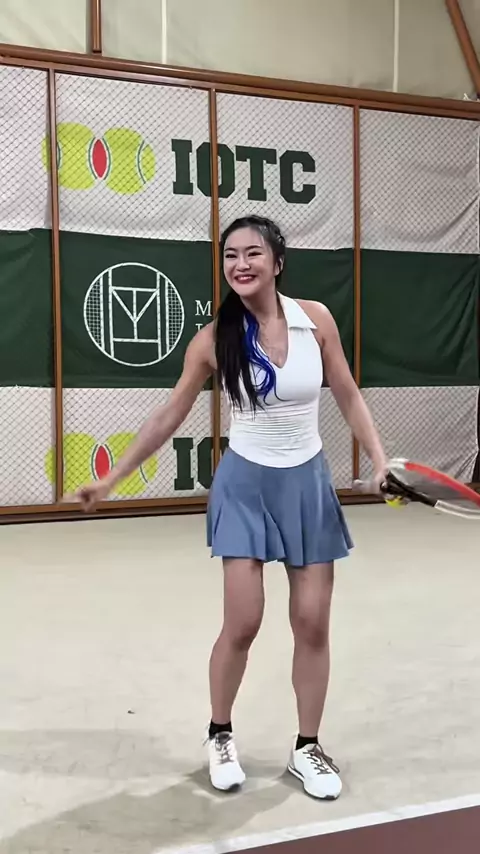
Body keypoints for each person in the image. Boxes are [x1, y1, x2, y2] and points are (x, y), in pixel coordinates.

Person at [73, 214, 387, 801]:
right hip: (244, 486)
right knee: (243, 622)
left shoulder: (315, 321)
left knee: (312, 623)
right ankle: (220, 732)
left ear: (278, 262)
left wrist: (380, 460)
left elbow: (347, 392)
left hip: (307, 485)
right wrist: (112, 479)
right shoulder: (214, 339)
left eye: (252, 253)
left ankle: (308, 747)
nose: (240, 264)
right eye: (230, 256)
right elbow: (169, 415)